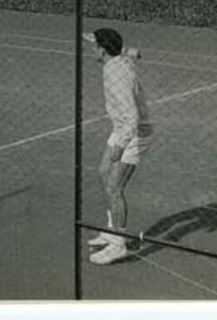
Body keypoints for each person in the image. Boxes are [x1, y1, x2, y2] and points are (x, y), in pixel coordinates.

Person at [86, 28, 152, 265]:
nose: (91, 49)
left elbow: (132, 117)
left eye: (94, 46)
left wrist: (121, 145)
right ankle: (112, 229)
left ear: (102, 50)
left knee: (115, 186)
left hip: (134, 132)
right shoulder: (121, 57)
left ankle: (118, 245)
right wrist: (97, 37)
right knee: (103, 173)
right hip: (122, 126)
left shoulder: (116, 76)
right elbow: (133, 52)